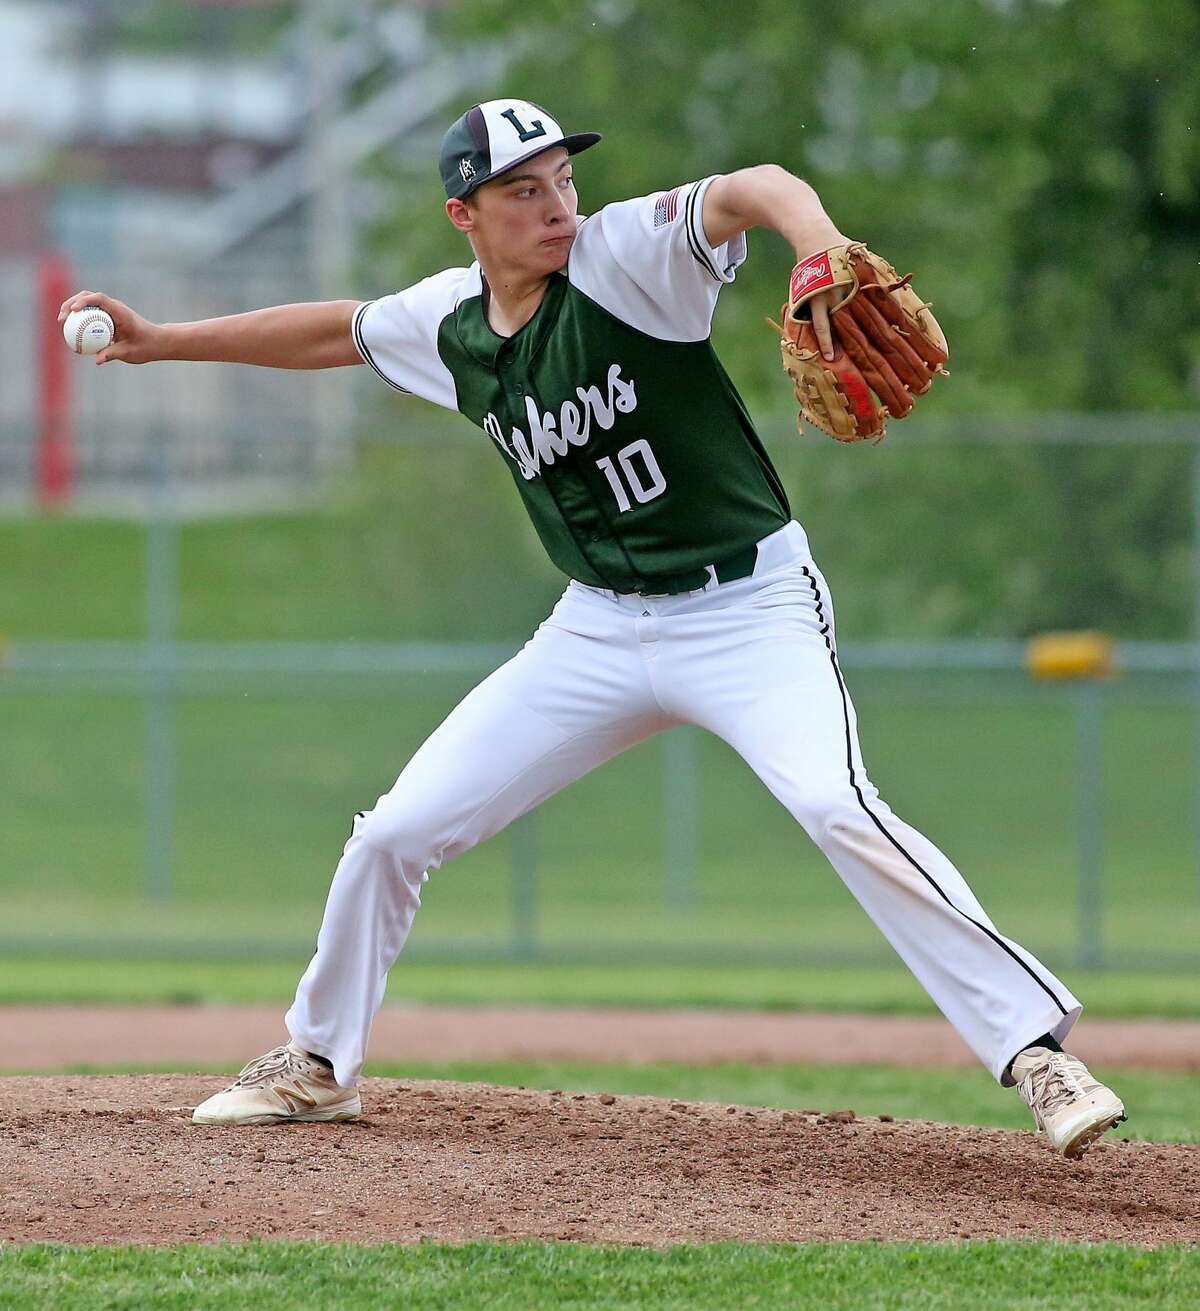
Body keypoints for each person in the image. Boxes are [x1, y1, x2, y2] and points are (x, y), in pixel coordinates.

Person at [61, 98, 1126, 1158]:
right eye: (524, 190)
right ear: (464, 216)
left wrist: (817, 245)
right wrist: (162, 343)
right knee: (392, 834)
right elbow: (336, 330)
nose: (557, 205)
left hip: (748, 609)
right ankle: (318, 1062)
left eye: (564, 179)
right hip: (597, 631)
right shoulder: (451, 324)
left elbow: (755, 187)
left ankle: (1037, 1054)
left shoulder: (626, 261)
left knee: (832, 802)